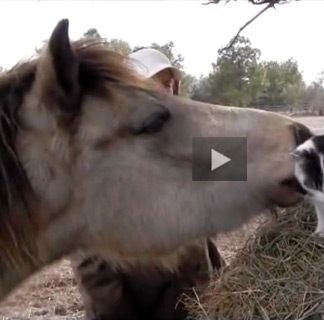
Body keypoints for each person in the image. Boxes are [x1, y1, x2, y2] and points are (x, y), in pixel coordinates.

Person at [70, 48, 225, 320]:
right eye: (156, 84)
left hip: (201, 299)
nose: (167, 92)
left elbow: (249, 163)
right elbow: (92, 264)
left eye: (169, 84)